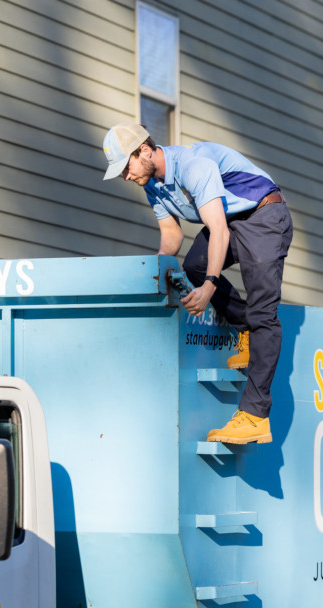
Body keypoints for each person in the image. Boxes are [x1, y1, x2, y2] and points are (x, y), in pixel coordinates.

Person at [102, 123, 293, 445]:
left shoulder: (194, 166)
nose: (126, 176)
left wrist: (209, 287)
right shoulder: (153, 184)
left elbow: (219, 232)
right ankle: (244, 329)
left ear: (144, 151)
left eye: (127, 167)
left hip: (264, 216)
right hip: (232, 222)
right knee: (193, 266)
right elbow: (171, 235)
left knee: (263, 312)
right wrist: (153, 271)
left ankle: (255, 416)